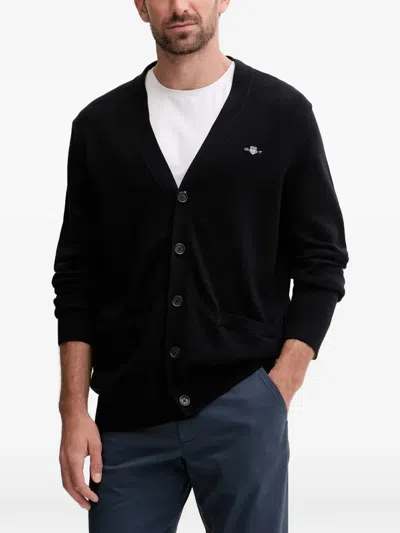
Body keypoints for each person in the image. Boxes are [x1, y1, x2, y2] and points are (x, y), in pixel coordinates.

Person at [51, 1, 349, 532]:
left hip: (242, 407)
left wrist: (278, 388)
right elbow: (77, 278)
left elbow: (322, 260)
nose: (180, 6)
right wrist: (73, 411)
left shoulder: (283, 114)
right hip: (128, 420)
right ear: (141, 6)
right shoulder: (99, 127)